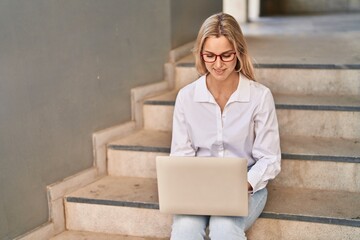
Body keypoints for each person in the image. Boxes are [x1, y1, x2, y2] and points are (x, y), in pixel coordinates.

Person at [169, 12, 281, 240]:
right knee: (184, 230)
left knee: (223, 228)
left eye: (226, 55)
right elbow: (181, 156)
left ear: (239, 53)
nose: (218, 64)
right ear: (200, 54)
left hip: (245, 186)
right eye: (209, 56)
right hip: (198, 186)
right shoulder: (186, 97)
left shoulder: (260, 97)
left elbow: (270, 158)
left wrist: (245, 185)